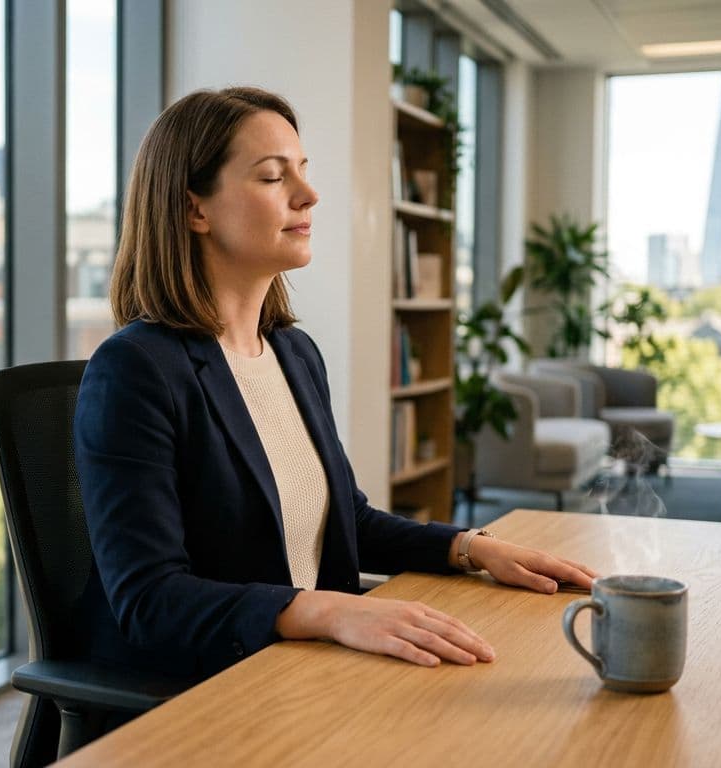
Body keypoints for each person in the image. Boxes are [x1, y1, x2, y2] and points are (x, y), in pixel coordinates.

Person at [75, 86, 598, 682]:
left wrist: (470, 548)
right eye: (274, 178)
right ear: (195, 209)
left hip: (302, 666)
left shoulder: (294, 354)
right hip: (205, 688)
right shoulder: (135, 370)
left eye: (302, 170)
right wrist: (327, 612)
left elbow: (345, 520)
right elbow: (149, 600)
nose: (309, 194)